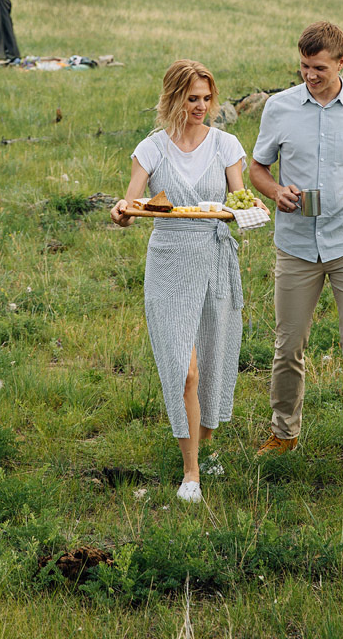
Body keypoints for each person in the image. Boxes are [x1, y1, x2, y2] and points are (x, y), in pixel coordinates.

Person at [249, 21, 343, 488]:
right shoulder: (280, 108)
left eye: (319, 68)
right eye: (304, 67)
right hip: (295, 246)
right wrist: (274, 191)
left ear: (341, 64)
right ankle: (283, 433)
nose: (309, 76)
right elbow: (257, 167)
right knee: (288, 346)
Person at [111, 59, 248, 503]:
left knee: (211, 362)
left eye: (207, 99)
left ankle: (204, 446)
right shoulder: (151, 149)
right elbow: (132, 203)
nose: (202, 107)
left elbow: (240, 200)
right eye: (193, 99)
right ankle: (191, 473)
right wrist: (121, 211)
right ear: (174, 98)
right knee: (183, 369)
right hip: (169, 262)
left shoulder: (226, 145)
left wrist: (245, 211)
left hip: (213, 256)